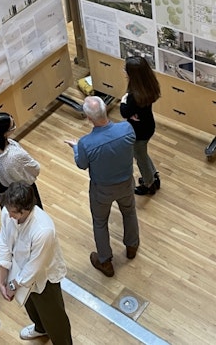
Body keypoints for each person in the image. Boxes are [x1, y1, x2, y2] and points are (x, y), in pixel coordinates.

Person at [64, 96, 138, 278]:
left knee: (100, 222)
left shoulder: (86, 143)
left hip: (102, 190)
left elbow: (81, 164)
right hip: (126, 184)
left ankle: (105, 261)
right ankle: (132, 246)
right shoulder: (127, 129)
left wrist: (76, 148)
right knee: (129, 212)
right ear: (105, 109)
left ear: (89, 118)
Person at [0, 183, 73, 344]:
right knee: (30, 305)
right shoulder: (8, 211)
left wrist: (12, 286)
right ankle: (40, 328)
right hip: (19, 271)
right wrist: (1, 279)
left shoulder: (43, 230)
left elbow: (34, 267)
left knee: (54, 318)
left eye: (13, 212)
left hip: (44, 278)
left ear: (25, 210)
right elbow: (4, 242)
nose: (8, 214)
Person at [119, 56, 161, 196]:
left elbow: (124, 112)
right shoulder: (149, 86)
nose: (124, 70)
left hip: (138, 132)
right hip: (148, 126)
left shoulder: (133, 96)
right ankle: (154, 175)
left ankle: (149, 184)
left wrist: (123, 100)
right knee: (142, 153)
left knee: (140, 157)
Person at [0, 112, 42, 208]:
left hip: (0, 187)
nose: (15, 127)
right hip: (22, 191)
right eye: (12, 126)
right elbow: (35, 168)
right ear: (4, 133)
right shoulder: (15, 155)